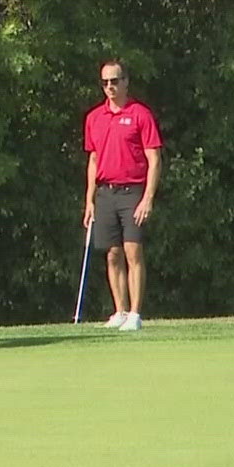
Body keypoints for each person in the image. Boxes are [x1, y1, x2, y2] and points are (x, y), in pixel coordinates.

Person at [82, 60, 162, 331]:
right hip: (106, 193)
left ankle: (136, 314)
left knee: (133, 251)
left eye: (114, 81)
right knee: (112, 254)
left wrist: (148, 198)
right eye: (105, 82)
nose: (109, 87)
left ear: (126, 81)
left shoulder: (140, 114)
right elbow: (93, 160)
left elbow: (154, 158)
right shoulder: (94, 118)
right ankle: (120, 311)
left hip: (132, 192)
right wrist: (89, 201)